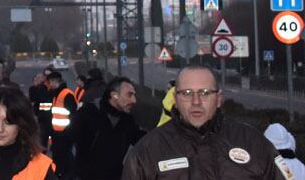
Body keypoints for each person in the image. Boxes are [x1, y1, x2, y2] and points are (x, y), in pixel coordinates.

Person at [121, 66, 282, 179]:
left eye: (205, 93)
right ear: (175, 100)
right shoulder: (147, 151)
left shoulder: (254, 143)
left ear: (219, 99)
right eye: (187, 93)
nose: (196, 101)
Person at [69, 75, 144, 180]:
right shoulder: (88, 114)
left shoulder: (128, 121)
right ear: (114, 95)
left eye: (134, 95)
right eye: (129, 95)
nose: (134, 100)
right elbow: (67, 140)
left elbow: (144, 142)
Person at [46, 71, 76, 174]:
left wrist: (69, 132)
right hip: (57, 133)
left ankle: (67, 175)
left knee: (65, 157)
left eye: (50, 82)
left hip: (65, 133)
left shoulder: (66, 94)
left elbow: (73, 115)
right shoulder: (57, 95)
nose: (49, 85)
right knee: (60, 157)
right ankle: (61, 174)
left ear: (55, 81)